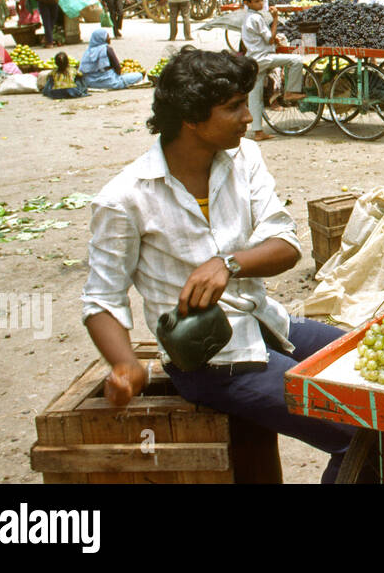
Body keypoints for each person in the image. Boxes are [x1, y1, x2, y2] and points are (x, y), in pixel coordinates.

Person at [81, 48, 357, 482]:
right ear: (191, 119)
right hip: (212, 362)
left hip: (269, 324)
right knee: (355, 429)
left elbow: (286, 246)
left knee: (369, 370)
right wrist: (125, 365)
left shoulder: (244, 158)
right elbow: (101, 299)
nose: (249, 117)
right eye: (233, 107)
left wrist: (229, 263)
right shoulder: (124, 197)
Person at [239, 0, 306, 142]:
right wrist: (275, 19)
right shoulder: (256, 18)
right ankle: (291, 91)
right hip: (263, 58)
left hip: (253, 60)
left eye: (261, 0)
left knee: (255, 97)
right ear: (247, 2)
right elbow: (269, 38)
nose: (261, 3)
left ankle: (258, 132)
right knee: (296, 60)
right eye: (256, 1)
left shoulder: (248, 17)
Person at [78, 28, 143, 90]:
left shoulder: (88, 51)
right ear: (102, 38)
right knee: (139, 75)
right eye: (107, 36)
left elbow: (83, 70)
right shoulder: (107, 49)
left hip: (90, 82)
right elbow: (118, 69)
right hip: (108, 82)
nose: (109, 39)